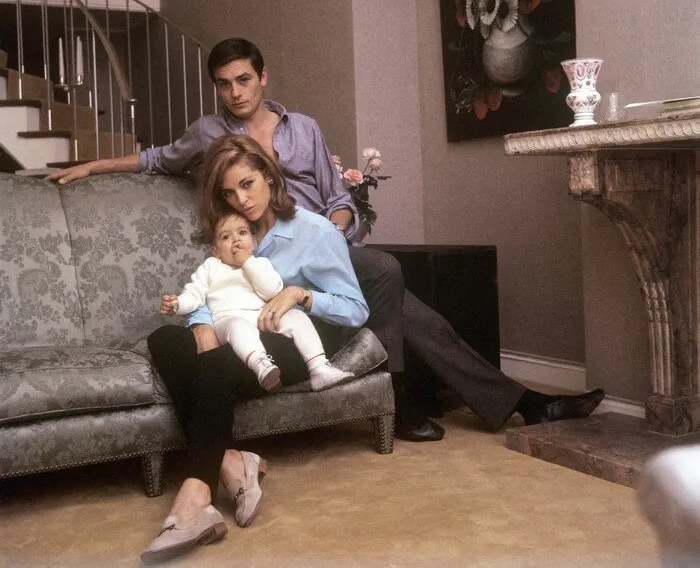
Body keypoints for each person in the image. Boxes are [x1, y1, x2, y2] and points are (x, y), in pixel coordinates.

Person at [46, 36, 605, 441]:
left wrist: (333, 235)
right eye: (223, 84)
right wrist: (91, 166)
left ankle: (474, 401)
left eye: (244, 80)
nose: (235, 92)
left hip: (322, 244)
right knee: (389, 276)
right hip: (274, 259)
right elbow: (155, 159)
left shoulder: (304, 127)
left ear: (264, 78)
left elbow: (338, 198)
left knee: (403, 299)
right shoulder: (210, 133)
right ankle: (443, 400)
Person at [140, 135, 369, 563]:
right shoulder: (235, 232)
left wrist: (300, 294)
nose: (241, 200)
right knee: (164, 339)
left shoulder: (315, 232)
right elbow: (214, 288)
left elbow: (356, 309)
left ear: (269, 175)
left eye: (247, 184)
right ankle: (231, 461)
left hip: (301, 335)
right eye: (229, 192)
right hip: (247, 329)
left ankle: (196, 497)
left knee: (211, 369)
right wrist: (202, 326)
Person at [161, 210, 355, 392]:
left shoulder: (260, 264)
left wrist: (248, 262)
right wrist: (178, 304)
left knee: (296, 316)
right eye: (226, 237)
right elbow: (194, 294)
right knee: (238, 327)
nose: (236, 239)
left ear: (253, 242)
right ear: (216, 251)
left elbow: (272, 291)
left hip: (261, 317)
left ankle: (319, 367)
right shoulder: (210, 267)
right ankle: (261, 365)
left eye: (242, 233)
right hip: (227, 321)